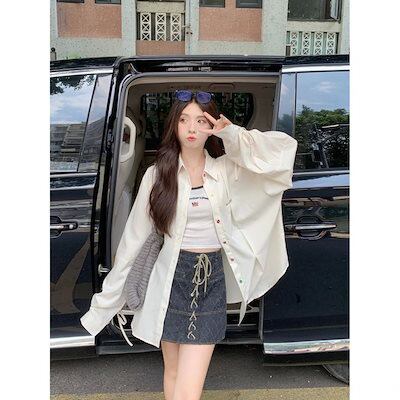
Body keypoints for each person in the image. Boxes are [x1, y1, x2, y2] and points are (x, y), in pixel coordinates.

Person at [80, 89, 298, 400]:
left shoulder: (227, 169)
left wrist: (232, 134)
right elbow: (133, 241)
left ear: (211, 126)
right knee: (172, 372)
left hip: (210, 281)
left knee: (189, 388)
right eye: (184, 120)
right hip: (169, 279)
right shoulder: (157, 175)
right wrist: (106, 302)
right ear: (174, 124)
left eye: (200, 121)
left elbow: (281, 155)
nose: (192, 128)